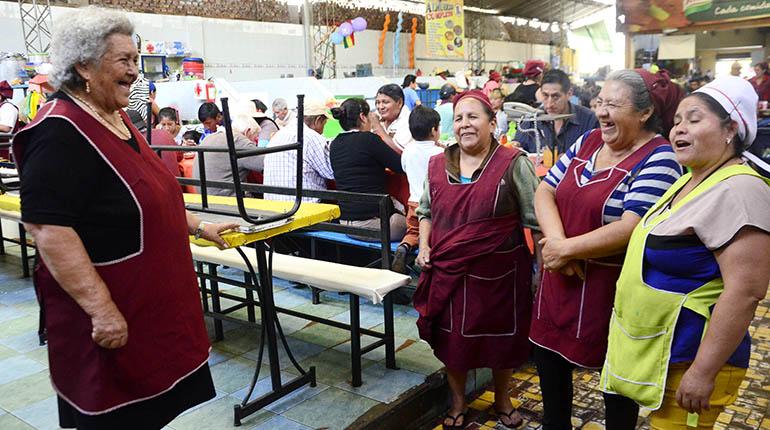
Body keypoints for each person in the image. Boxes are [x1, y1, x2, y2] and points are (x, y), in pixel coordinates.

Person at [13, 7, 237, 429]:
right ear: (83, 65)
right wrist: (101, 311)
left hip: (150, 308)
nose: (135, 72)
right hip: (113, 309)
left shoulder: (114, 118)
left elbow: (150, 194)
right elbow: (49, 229)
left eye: (136, 60)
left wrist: (199, 226)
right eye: (124, 61)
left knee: (150, 413)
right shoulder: (58, 132)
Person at [601, 76, 770, 429]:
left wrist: (702, 373)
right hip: (665, 353)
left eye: (694, 119)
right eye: (677, 120)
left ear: (731, 129)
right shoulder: (691, 179)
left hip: (695, 361)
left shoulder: (741, 189)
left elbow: (746, 292)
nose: (680, 128)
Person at [529, 69, 684, 429]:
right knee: (550, 377)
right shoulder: (587, 143)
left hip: (613, 291)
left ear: (644, 113)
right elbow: (545, 191)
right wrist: (558, 248)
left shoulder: (660, 157)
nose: (601, 112)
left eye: (614, 104)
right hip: (561, 280)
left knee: (618, 389)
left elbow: (631, 226)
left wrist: (566, 250)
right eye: (600, 102)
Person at [412, 90, 540, 429]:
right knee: (453, 340)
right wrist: (424, 247)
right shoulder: (437, 164)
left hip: (501, 274)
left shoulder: (515, 163)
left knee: (502, 341)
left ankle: (502, 398)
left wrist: (540, 270)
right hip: (448, 271)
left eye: (473, 117)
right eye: (458, 118)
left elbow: (534, 220)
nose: (465, 124)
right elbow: (425, 211)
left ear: (492, 122)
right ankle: (457, 401)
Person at [329, 98, 406, 241]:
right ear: (362, 117)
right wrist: (379, 128)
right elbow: (400, 166)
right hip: (373, 225)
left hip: (345, 223)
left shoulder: (335, 143)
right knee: (412, 226)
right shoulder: (369, 139)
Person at [392, 106, 443, 274]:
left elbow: (405, 169)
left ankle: (404, 247)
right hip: (433, 206)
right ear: (434, 130)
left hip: (413, 203)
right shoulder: (441, 153)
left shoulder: (408, 151)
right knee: (433, 236)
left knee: (412, 231)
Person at [513, 69, 599, 165]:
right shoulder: (531, 120)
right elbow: (517, 148)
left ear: (569, 93)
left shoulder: (589, 120)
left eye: (555, 97)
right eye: (545, 96)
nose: (549, 104)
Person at [263, 99, 334, 202]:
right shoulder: (310, 136)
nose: (323, 129)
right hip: (302, 206)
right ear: (318, 120)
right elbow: (330, 171)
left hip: (273, 204)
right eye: (324, 124)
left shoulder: (280, 133)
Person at [192, 105, 264, 197]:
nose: (255, 143)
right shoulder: (238, 140)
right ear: (247, 132)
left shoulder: (208, 138)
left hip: (205, 201)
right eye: (255, 138)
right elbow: (266, 163)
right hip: (229, 205)